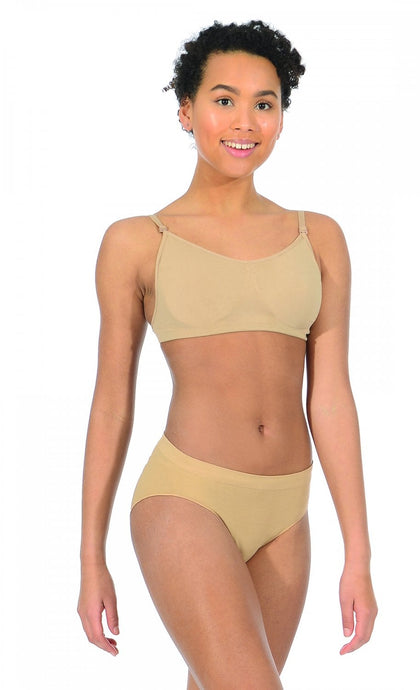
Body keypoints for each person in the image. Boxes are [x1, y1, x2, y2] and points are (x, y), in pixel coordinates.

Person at [77, 19, 378, 689]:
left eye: (264, 103)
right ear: (186, 110)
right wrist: (91, 558)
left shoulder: (319, 237)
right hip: (186, 497)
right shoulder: (138, 241)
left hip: (286, 512)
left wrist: (357, 554)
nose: (245, 121)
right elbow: (111, 403)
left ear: (281, 116)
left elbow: (331, 398)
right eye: (223, 100)